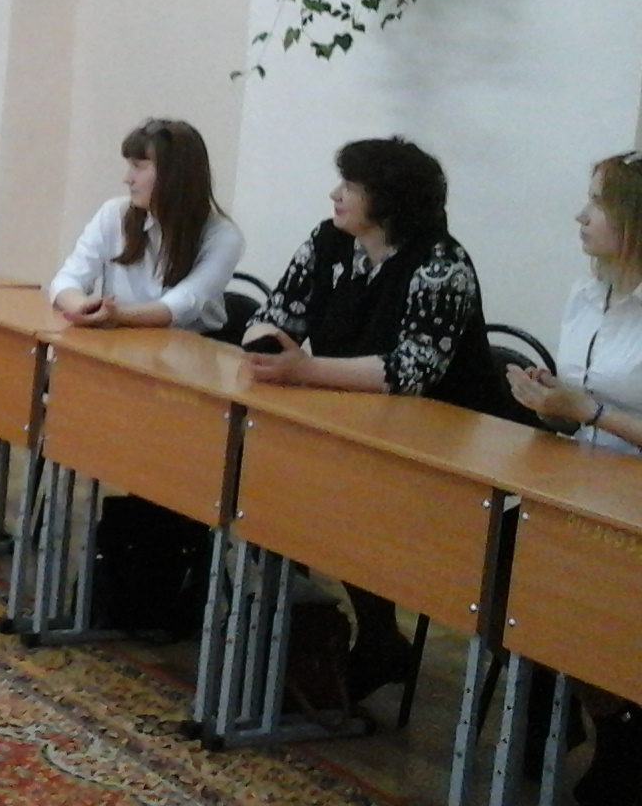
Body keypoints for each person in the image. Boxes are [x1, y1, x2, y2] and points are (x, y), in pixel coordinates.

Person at [243, 136, 520, 705]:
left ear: (388, 198)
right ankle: (301, 642)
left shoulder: (441, 264)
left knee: (334, 500)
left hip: (446, 446)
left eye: (350, 185)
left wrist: (304, 369)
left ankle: (368, 640)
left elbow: (412, 370)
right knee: (263, 483)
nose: (335, 194)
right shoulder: (327, 241)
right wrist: (265, 345)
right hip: (357, 427)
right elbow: (277, 312)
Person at [506, 152, 642, 805]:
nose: (581, 216)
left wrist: (589, 412)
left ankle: (617, 727)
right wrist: (549, 402)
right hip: (581, 486)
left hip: (632, 504)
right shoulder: (585, 295)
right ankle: (604, 720)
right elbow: (579, 404)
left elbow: (597, 408)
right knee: (507, 564)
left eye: (599, 204)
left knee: (579, 591)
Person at [49, 118, 243, 335]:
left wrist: (115, 315)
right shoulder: (114, 213)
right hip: (119, 338)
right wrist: (84, 307)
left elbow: (182, 304)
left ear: (174, 175)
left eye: (138, 167)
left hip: (190, 345)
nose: (127, 179)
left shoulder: (223, 236)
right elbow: (67, 278)